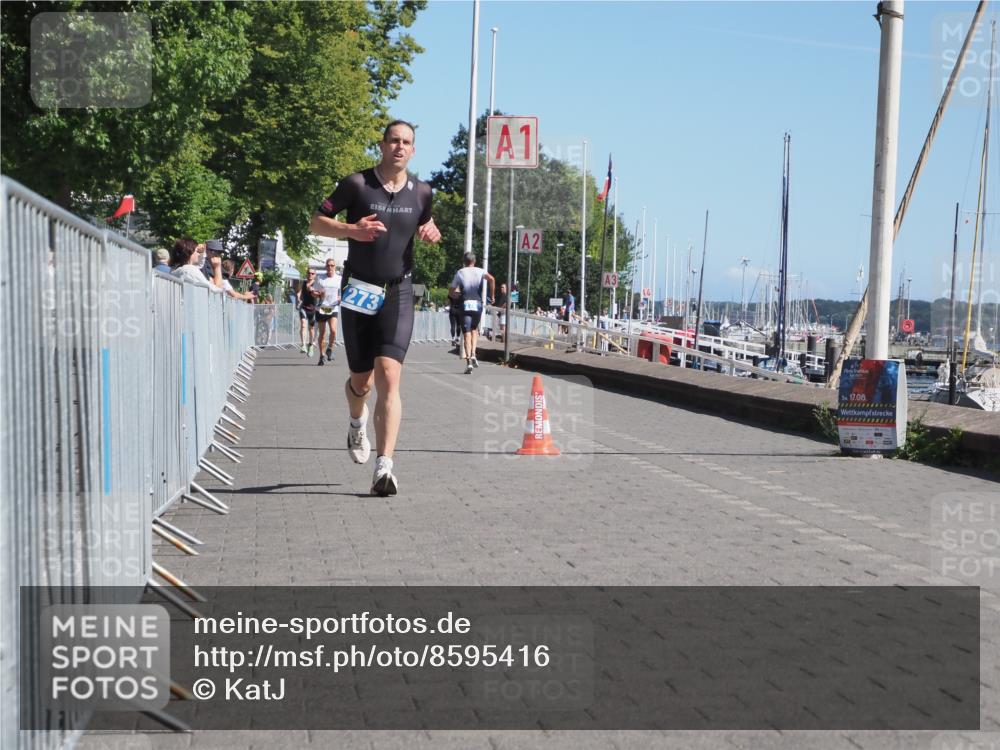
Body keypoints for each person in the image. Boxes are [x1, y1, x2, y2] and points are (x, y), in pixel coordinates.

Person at [309, 120, 441, 496]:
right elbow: (316, 222)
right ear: (382, 146)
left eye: (407, 142)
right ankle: (356, 421)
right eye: (394, 141)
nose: (400, 147)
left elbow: (427, 226)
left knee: (389, 375)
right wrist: (351, 230)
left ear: (413, 150)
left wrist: (432, 232)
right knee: (361, 381)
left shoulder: (423, 193)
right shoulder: (357, 185)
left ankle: (385, 467)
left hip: (398, 291)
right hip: (359, 290)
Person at [450, 251, 495, 374]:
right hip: (478, 304)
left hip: (465, 304)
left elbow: (451, 291)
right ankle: (474, 354)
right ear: (474, 261)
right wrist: (492, 296)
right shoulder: (481, 271)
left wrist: (455, 295)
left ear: (464, 262)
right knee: (474, 330)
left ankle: (469, 361)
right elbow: (491, 279)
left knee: (466, 334)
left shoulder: (460, 272)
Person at [314, 258, 342, 366]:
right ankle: (321, 355)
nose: (330, 267)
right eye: (328, 265)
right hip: (322, 308)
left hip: (333, 308)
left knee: (334, 331)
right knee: (322, 333)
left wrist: (340, 298)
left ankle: (329, 348)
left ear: (335, 267)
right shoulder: (320, 278)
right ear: (326, 266)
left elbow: (342, 292)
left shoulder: (339, 278)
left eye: (332, 265)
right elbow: (314, 293)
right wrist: (318, 294)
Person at [297, 269, 319, 355]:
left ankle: (311, 345)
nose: (310, 274)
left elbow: (320, 294)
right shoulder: (303, 283)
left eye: (312, 273)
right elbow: (299, 292)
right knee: (303, 325)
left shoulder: (317, 284)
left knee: (311, 328)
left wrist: (313, 291)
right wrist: (298, 297)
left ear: (315, 275)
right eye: (309, 273)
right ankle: (303, 345)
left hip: (313, 309)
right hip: (304, 307)